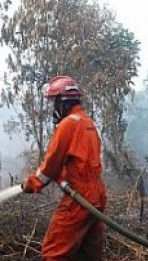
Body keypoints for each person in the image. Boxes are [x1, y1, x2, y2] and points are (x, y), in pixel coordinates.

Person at [21, 75, 107, 260]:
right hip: (98, 196)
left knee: (54, 253)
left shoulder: (68, 125)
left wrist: (32, 183)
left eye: (55, 103)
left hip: (80, 198)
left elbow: (51, 164)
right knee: (88, 254)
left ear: (63, 102)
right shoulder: (89, 123)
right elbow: (86, 162)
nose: (54, 108)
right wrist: (64, 176)